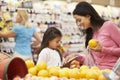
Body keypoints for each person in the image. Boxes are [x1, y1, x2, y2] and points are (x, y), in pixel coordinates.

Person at [73, 1, 120, 70]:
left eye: (79, 20)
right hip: (97, 73)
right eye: (77, 21)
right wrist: (75, 56)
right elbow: (93, 59)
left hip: (113, 73)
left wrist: (103, 49)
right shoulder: (91, 33)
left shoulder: (109, 26)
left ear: (88, 16)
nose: (79, 24)